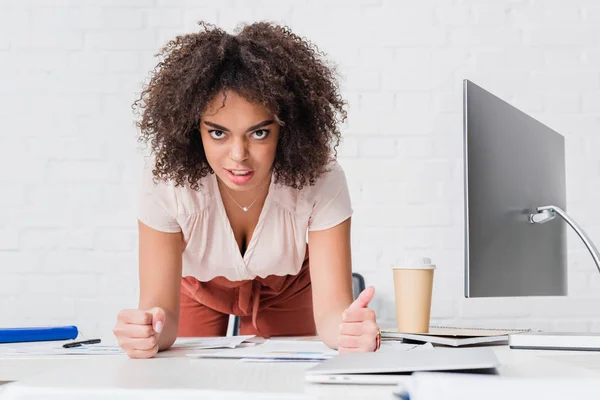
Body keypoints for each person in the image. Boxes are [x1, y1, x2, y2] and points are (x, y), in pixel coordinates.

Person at [112, 21, 380, 359]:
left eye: (259, 133)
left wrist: (349, 332)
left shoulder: (321, 178)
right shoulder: (165, 182)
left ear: (286, 129)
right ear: (194, 130)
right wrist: (146, 332)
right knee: (186, 375)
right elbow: (159, 314)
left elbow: (332, 316)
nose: (238, 156)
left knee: (286, 376)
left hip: (289, 286)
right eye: (218, 133)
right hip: (198, 288)